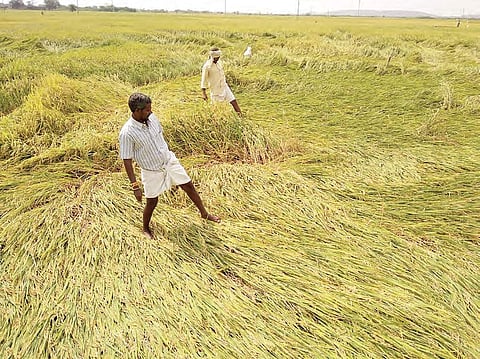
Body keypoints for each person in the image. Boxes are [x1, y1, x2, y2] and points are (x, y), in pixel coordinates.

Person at [119, 93, 221, 238]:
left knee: (188, 186)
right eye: (147, 110)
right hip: (151, 170)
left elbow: (159, 138)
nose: (151, 112)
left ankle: (204, 213)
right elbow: (126, 159)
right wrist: (135, 186)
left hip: (168, 161)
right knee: (152, 201)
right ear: (137, 111)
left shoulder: (152, 118)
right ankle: (146, 228)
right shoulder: (127, 133)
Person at [201, 47, 242, 115]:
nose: (217, 59)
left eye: (218, 57)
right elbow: (203, 79)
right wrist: (204, 93)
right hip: (216, 91)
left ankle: (241, 117)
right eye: (216, 58)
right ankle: (212, 120)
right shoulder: (207, 66)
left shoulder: (219, 63)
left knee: (233, 101)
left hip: (224, 86)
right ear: (212, 57)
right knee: (217, 109)